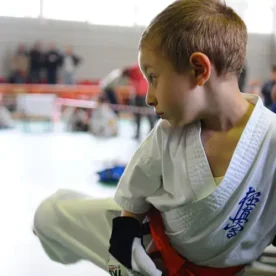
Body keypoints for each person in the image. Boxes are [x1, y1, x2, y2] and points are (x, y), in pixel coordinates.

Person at [33, 1, 276, 276]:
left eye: (153, 77)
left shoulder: (271, 138)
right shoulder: (168, 133)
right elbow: (134, 197)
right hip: (152, 246)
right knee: (50, 216)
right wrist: (124, 240)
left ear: (198, 70)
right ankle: (50, 213)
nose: (148, 97)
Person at [125, 64, 156, 140]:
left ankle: (152, 133)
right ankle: (138, 133)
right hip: (137, 95)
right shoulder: (133, 69)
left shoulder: (145, 67)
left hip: (146, 93)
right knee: (137, 115)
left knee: (150, 115)